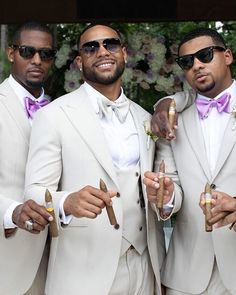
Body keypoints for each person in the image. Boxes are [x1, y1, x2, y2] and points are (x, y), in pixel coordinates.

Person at [24, 23, 166, 295]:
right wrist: (67, 201)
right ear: (79, 62)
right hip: (83, 272)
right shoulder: (53, 116)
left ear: (123, 53)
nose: (102, 51)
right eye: (91, 47)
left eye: (110, 44)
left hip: (144, 268)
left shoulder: (145, 118)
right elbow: (33, 192)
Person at [144, 27, 236, 295]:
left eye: (205, 55)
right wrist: (167, 197)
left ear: (227, 55)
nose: (197, 65)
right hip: (188, 277)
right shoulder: (172, 121)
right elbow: (171, 187)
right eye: (187, 61)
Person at [0, 21, 57, 295]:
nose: (37, 60)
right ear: (11, 53)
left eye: (46, 54)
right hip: (7, 258)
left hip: (60, 263)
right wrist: (10, 212)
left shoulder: (63, 111)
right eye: (27, 51)